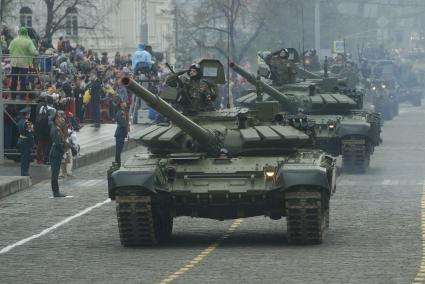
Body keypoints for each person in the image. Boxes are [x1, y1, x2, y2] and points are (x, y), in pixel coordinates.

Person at [8, 27, 38, 99]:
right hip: (24, 63)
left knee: (14, 79)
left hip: (14, 62)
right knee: (23, 80)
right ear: (26, 33)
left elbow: (9, 49)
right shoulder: (28, 41)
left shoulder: (14, 40)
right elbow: (34, 52)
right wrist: (37, 52)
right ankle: (22, 96)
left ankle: (13, 96)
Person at [49, 111, 67, 197]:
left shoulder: (55, 127)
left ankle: (56, 191)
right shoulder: (56, 129)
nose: (60, 119)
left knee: (55, 172)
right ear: (55, 119)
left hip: (55, 151)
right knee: (55, 173)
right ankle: (56, 192)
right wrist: (63, 151)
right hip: (56, 152)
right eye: (59, 117)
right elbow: (58, 143)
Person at [17, 107, 34, 176]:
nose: (29, 114)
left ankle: (24, 172)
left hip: (22, 140)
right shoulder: (27, 122)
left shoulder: (20, 121)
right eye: (29, 113)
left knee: (24, 157)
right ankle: (25, 172)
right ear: (26, 114)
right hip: (26, 142)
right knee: (26, 158)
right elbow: (31, 131)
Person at [114, 100, 129, 167]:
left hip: (122, 133)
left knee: (119, 150)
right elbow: (123, 124)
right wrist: (126, 129)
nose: (125, 103)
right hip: (120, 133)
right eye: (123, 102)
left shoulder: (123, 112)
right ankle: (118, 164)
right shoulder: (120, 113)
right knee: (118, 151)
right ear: (121, 104)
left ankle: (118, 163)